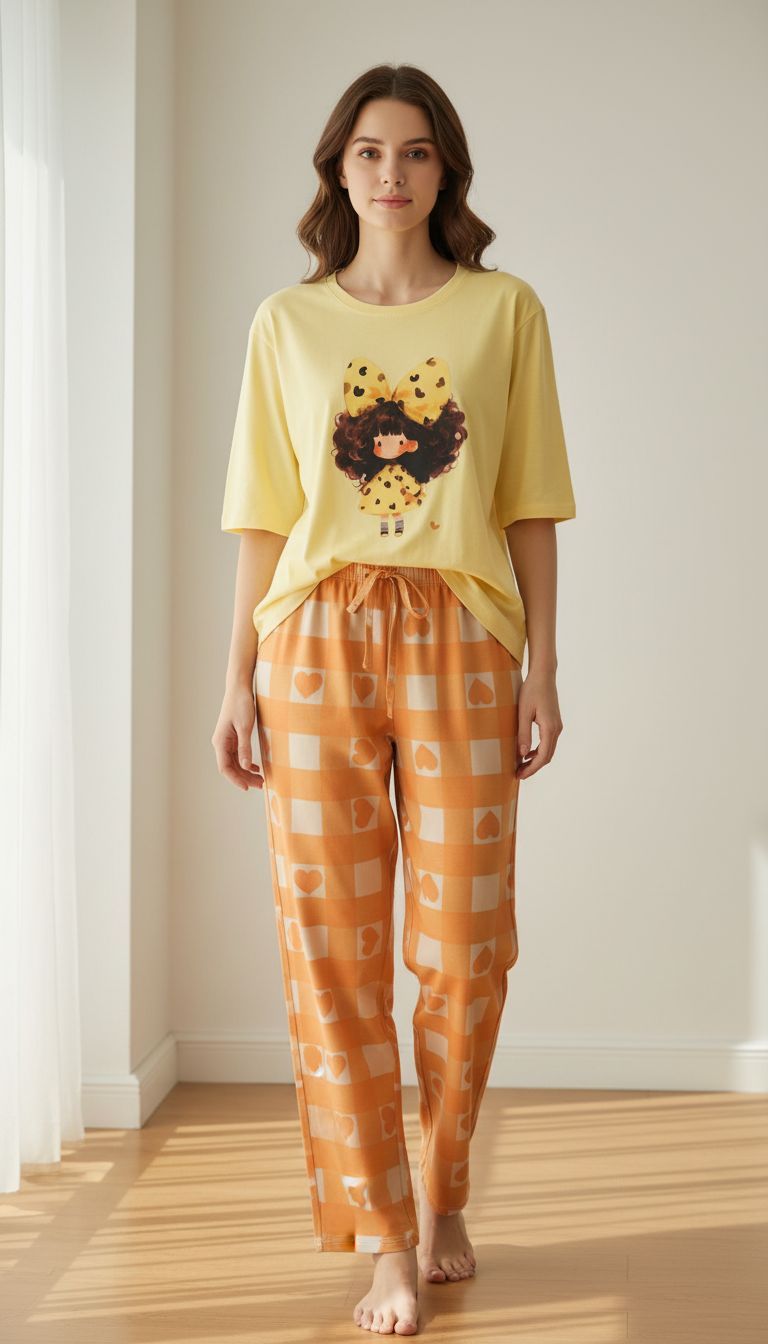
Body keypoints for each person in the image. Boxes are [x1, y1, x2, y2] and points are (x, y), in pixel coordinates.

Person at [212, 62, 576, 1338]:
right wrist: (235, 677)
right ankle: (385, 1236)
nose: (392, 173)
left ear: (445, 170)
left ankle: (446, 1192)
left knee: (465, 947)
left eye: (416, 152)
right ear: (338, 169)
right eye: (369, 151)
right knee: (331, 947)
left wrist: (542, 665)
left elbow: (528, 501)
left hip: (463, 637)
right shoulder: (286, 324)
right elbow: (264, 517)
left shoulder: (504, 311)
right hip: (312, 639)